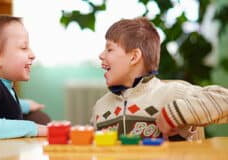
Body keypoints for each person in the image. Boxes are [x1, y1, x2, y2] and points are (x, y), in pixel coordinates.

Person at [91, 17, 228, 141]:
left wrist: (175, 113)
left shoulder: (171, 93)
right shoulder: (100, 106)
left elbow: (224, 100)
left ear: (133, 57)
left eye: (109, 49)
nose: (101, 55)